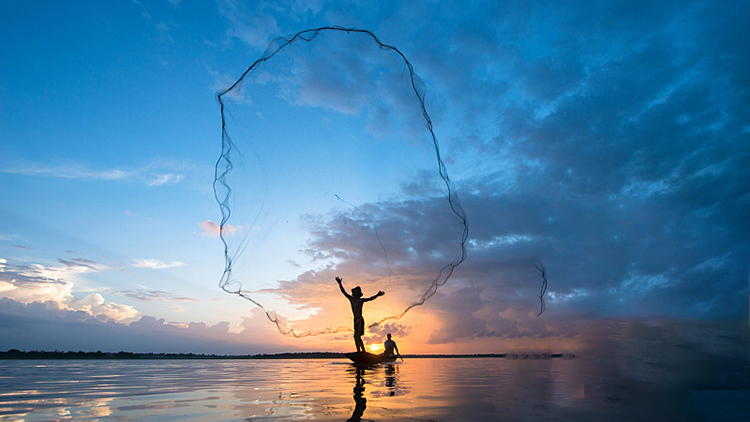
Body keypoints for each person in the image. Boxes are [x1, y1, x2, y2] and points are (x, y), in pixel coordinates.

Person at [336, 276, 384, 353]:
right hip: (355, 320)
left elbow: (370, 298)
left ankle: (362, 351)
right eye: (354, 291)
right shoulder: (351, 299)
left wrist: (377, 295)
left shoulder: (361, 300)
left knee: (356, 336)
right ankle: (360, 351)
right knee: (356, 337)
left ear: (358, 294)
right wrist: (340, 284)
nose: (355, 292)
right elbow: (343, 292)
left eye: (356, 291)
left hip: (360, 319)